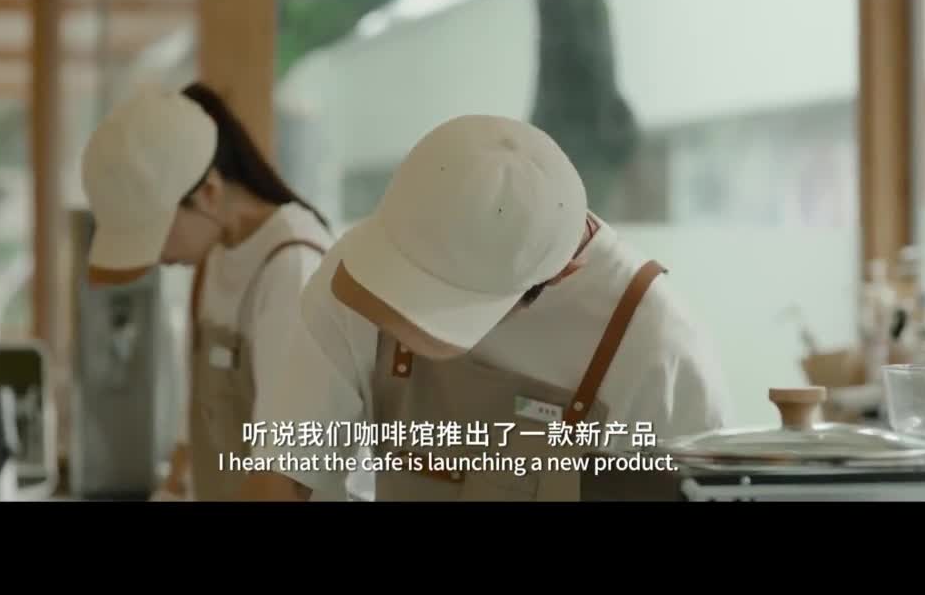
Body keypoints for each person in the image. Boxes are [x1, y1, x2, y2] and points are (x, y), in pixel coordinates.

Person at [233, 113, 732, 501]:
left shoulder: (655, 347)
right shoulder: (366, 267)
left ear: (560, 274)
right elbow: (284, 470)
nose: (405, 317)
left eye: (442, 305)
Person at [79, 81, 370, 502]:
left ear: (209, 193)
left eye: (155, 236)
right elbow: (196, 430)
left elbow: (284, 480)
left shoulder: (291, 268)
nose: (156, 257)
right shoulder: (213, 257)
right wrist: (171, 491)